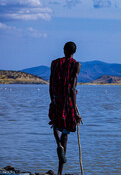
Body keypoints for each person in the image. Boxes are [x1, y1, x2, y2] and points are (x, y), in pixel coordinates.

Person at [48, 41, 82, 175]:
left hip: (57, 99)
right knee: (65, 135)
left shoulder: (54, 63)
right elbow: (73, 88)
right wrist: (76, 111)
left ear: (64, 50)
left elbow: (50, 83)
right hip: (68, 102)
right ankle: (60, 172)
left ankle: (58, 145)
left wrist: (52, 100)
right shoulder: (76, 65)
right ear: (74, 51)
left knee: (55, 126)